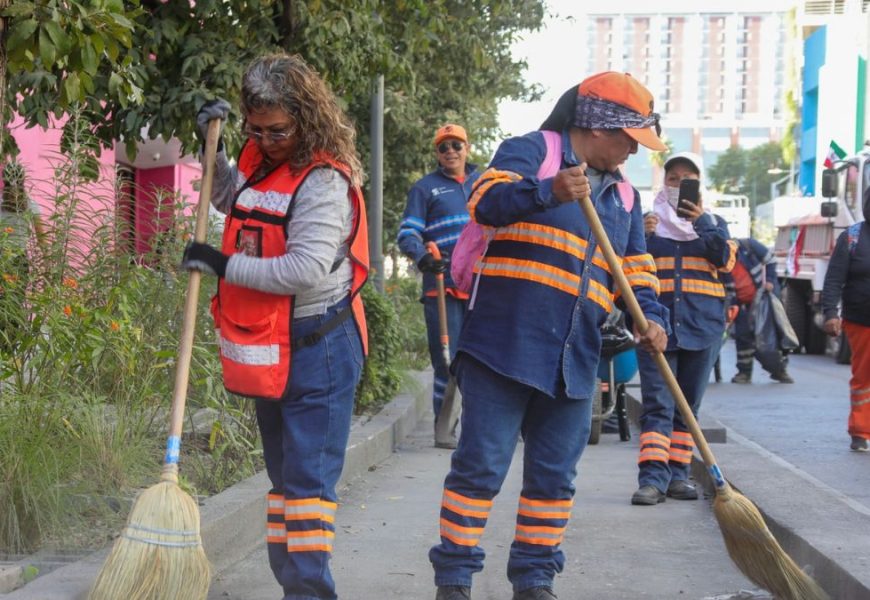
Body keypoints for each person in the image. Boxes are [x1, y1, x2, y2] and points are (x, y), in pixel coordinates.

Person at [429, 72, 670, 600]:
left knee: (554, 482)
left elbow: (636, 270)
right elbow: (483, 202)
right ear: (596, 125)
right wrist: (548, 191)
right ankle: (454, 580)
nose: (632, 150)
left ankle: (535, 579)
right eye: (628, 138)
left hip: (574, 360)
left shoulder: (626, 197)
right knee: (479, 471)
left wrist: (650, 319)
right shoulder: (532, 151)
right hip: (501, 348)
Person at [182, 53, 369, 600]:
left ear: (305, 118)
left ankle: (309, 593)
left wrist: (220, 265)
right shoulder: (260, 162)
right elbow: (225, 197)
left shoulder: (324, 182)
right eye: (255, 129)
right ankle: (294, 587)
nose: (265, 141)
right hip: (276, 345)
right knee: (285, 485)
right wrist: (211, 146)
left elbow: (305, 269)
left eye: (278, 131)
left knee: (307, 489)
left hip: (321, 345)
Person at [631, 152, 736, 505]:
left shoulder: (715, 223)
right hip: (656, 329)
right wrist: (640, 237)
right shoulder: (645, 224)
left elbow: (725, 259)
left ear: (698, 184)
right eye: (672, 178)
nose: (678, 185)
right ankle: (652, 480)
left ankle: (678, 476)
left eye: (686, 179)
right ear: (664, 183)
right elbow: (627, 268)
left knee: (686, 408)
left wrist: (702, 221)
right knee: (657, 405)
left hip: (701, 327)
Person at [397, 124, 480, 446]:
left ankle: (479, 429)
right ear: (437, 153)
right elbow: (407, 233)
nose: (450, 152)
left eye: (456, 145)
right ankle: (445, 429)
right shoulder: (425, 189)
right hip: (442, 286)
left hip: (481, 285)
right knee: (447, 359)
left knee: (484, 359)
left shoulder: (483, 182)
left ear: (467, 148)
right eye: (443, 147)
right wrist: (423, 258)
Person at [821, 188, 870, 452]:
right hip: (862, 320)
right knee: (864, 376)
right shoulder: (852, 237)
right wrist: (830, 313)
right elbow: (834, 279)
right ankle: (861, 431)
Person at [725, 236, 794, 384]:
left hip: (762, 300)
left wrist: (769, 280)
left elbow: (771, 260)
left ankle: (780, 371)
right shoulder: (721, 258)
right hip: (740, 304)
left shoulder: (748, 246)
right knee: (743, 336)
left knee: (768, 337)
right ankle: (744, 372)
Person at [0, 161, 47, 356]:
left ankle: (3, 345)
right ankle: (11, 347)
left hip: (2, 261)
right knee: (16, 302)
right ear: (23, 180)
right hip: (19, 262)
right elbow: (42, 238)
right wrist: (49, 263)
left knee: (3, 303)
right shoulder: (32, 206)